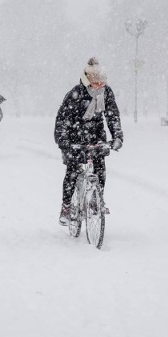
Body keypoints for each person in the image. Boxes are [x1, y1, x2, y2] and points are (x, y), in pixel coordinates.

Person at [54, 57, 123, 226]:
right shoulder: (75, 94)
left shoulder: (107, 93)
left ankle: (96, 200)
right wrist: (64, 142)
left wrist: (117, 136)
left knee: (100, 167)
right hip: (74, 135)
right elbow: (63, 120)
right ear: (87, 81)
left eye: (102, 83)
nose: (100, 86)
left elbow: (112, 115)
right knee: (73, 170)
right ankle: (66, 206)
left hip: (96, 135)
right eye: (96, 83)